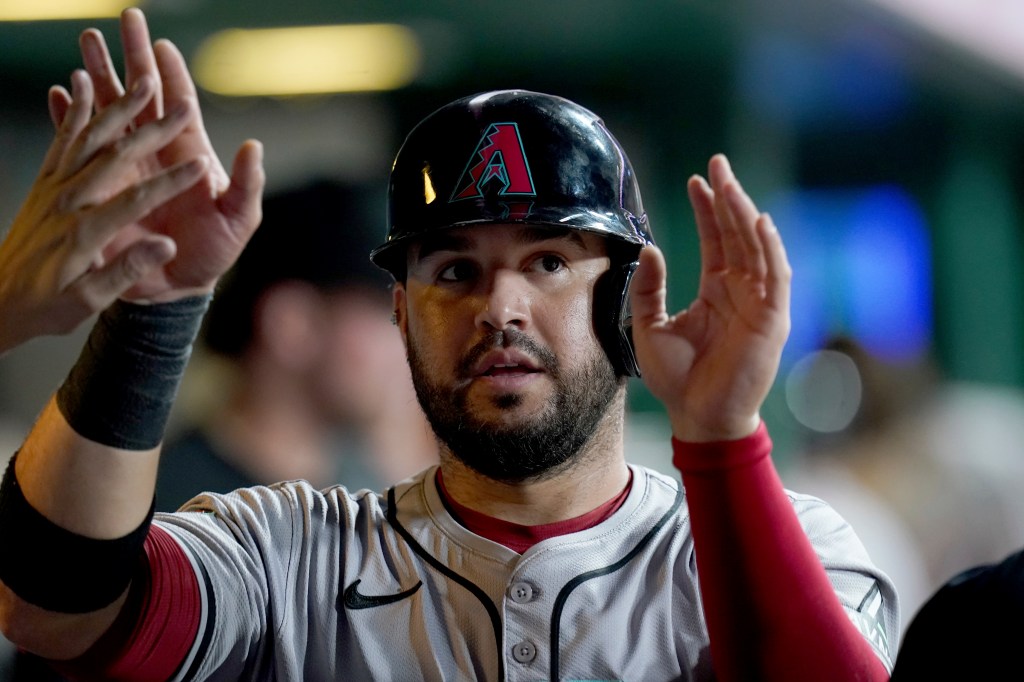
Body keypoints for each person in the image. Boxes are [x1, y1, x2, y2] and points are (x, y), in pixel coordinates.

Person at [0, 9, 898, 681]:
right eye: (454, 271)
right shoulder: (294, 556)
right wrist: (157, 306)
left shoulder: (788, 546)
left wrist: (720, 436)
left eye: (548, 260)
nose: (498, 306)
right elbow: (55, 609)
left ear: (624, 296)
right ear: (401, 312)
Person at [157, 178, 437, 512]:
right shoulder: (181, 512)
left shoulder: (362, 488)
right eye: (389, 313)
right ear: (291, 325)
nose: (411, 342)